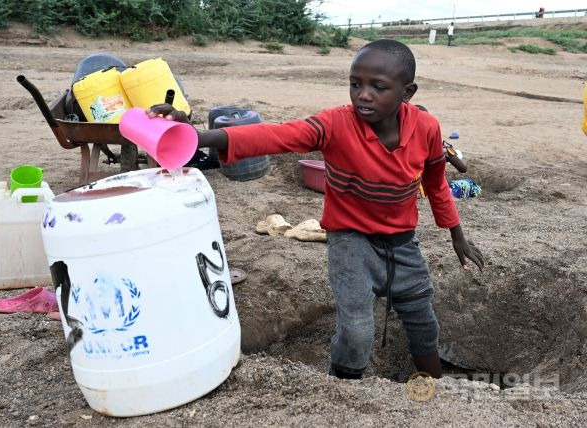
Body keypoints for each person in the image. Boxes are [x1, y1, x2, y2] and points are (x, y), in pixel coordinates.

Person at [148, 39, 484, 380]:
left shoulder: (427, 129)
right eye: (356, 83)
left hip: (402, 243)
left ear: (407, 92)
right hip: (350, 240)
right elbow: (275, 135)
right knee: (357, 329)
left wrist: (456, 234)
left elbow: (437, 182)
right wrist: (194, 136)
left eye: (378, 87)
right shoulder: (336, 125)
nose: (363, 95)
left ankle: (433, 384)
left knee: (422, 318)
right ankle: (342, 384)